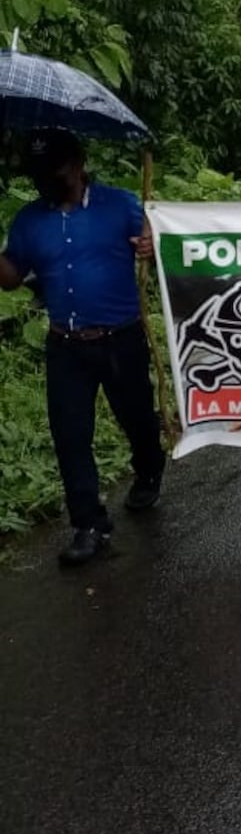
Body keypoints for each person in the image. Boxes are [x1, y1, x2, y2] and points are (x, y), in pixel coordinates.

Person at [0, 131, 164, 566]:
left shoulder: (121, 205)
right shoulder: (29, 220)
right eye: (36, 175)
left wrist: (153, 243)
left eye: (51, 172)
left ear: (77, 165)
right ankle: (88, 524)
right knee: (70, 436)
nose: (43, 182)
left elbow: (159, 247)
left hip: (120, 339)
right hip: (65, 346)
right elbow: (11, 277)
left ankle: (149, 468)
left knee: (137, 419)